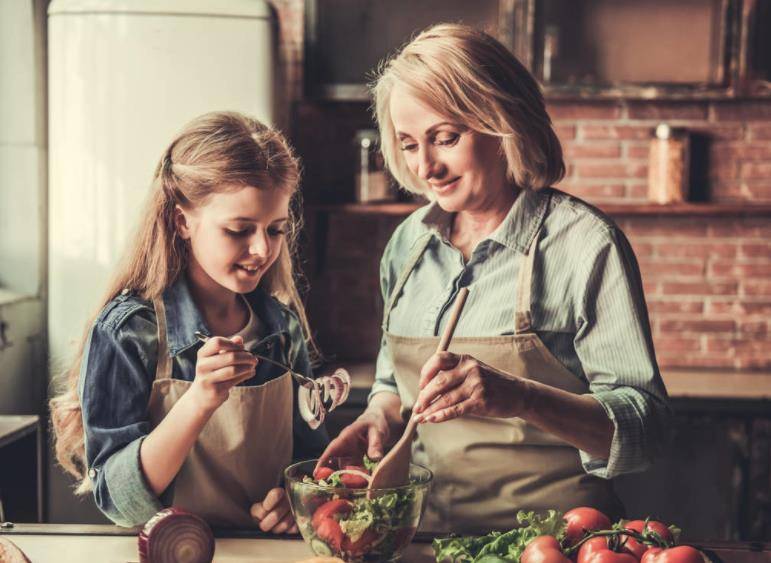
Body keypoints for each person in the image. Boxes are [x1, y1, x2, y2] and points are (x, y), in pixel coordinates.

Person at [318, 24, 670, 534]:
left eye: (445, 138)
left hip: (558, 540)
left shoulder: (584, 244)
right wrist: (380, 413)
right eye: (409, 144)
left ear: (505, 121)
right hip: (426, 536)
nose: (427, 168)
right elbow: (396, 380)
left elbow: (648, 428)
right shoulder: (407, 245)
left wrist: (520, 397)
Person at [50, 111, 328, 529]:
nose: (260, 249)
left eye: (275, 230)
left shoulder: (281, 327)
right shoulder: (129, 331)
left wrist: (298, 498)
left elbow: (311, 465)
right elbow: (119, 502)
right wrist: (198, 400)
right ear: (183, 221)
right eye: (238, 229)